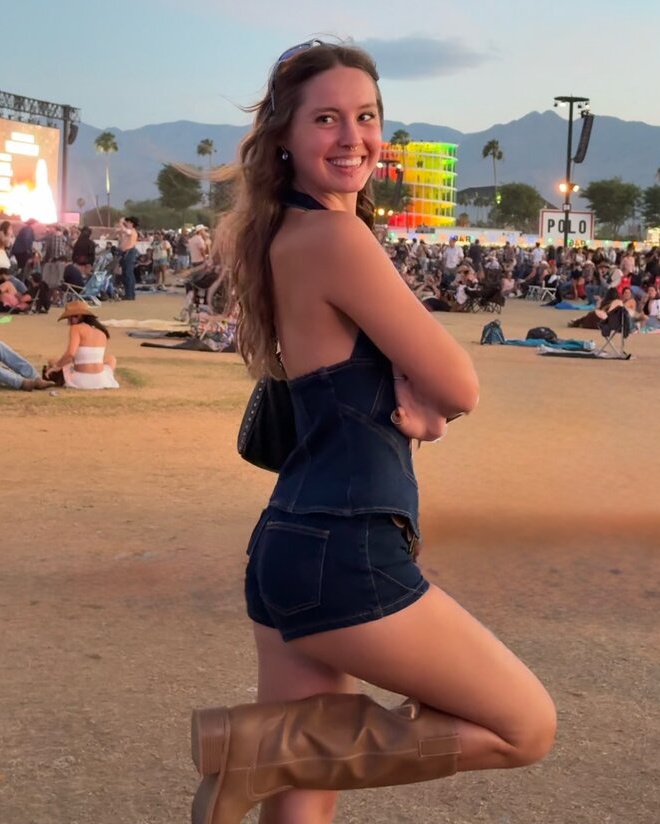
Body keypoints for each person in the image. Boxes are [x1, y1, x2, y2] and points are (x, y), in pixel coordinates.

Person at [191, 40, 556, 824]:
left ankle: (268, 753)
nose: (353, 136)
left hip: (289, 544)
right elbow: (459, 384)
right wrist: (430, 405)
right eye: (326, 118)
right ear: (285, 136)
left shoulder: (285, 234)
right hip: (345, 544)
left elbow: (397, 389)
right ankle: (257, 752)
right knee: (524, 725)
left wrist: (422, 405)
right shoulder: (335, 237)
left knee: (306, 786)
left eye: (365, 116)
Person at [44, 299, 119, 389]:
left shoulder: (76, 328)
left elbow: (70, 353)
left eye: (70, 317)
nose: (68, 321)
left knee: (52, 361)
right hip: (101, 380)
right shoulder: (101, 333)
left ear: (79, 316)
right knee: (111, 359)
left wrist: (57, 366)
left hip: (81, 379)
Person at [117, 216, 139, 300]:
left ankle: (129, 294)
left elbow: (125, 231)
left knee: (128, 274)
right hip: (126, 253)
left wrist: (121, 223)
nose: (126, 223)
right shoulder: (129, 232)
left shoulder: (132, 231)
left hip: (129, 252)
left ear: (132, 224)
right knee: (127, 274)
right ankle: (129, 293)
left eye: (128, 222)